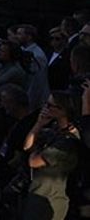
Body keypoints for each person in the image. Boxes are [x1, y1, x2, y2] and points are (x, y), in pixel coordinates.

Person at [19, 91, 82, 220]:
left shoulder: (68, 141)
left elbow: (34, 161)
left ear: (62, 110)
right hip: (36, 193)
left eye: (50, 105)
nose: (45, 108)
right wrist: (39, 124)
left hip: (49, 198)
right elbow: (27, 146)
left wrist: (35, 151)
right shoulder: (53, 130)